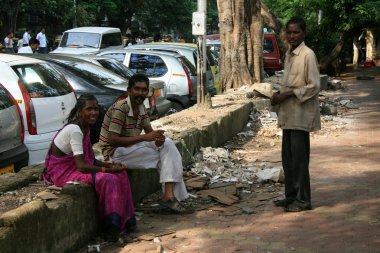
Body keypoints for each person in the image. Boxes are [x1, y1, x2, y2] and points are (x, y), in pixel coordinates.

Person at [44, 95, 135, 242]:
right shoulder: (75, 130)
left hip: (76, 167)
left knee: (121, 173)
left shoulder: (84, 127)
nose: (93, 112)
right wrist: (107, 171)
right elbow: (81, 166)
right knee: (108, 179)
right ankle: (111, 227)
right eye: (89, 109)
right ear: (80, 111)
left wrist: (109, 165)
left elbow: (90, 160)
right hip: (63, 173)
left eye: (95, 108)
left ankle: (125, 221)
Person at [98, 74, 191, 214]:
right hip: (114, 154)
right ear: (129, 90)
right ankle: (170, 198)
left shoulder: (142, 107)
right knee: (166, 157)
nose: (140, 93)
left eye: (144, 90)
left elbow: (150, 134)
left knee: (167, 145)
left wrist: (158, 139)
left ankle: (169, 196)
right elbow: (112, 140)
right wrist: (145, 138)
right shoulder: (120, 108)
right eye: (137, 89)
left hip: (130, 149)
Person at [270, 16, 321, 212]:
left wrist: (289, 94)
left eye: (295, 32)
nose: (291, 36)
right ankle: (291, 196)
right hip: (288, 114)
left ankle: (303, 200)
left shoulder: (307, 54)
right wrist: (278, 95)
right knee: (288, 159)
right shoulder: (290, 53)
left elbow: (314, 86)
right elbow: (289, 81)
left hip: (300, 114)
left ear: (303, 33)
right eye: (289, 32)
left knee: (299, 160)